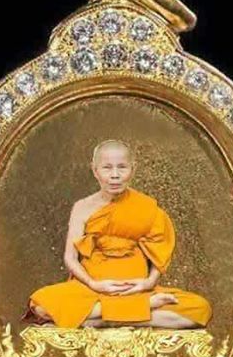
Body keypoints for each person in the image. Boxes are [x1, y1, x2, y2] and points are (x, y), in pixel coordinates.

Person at [21, 139, 212, 329]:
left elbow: (160, 252)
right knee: (41, 306)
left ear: (133, 169)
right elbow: (70, 258)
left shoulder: (146, 207)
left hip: (136, 290)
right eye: (107, 168)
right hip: (91, 290)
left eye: (122, 167)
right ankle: (139, 311)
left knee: (200, 308)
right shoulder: (82, 207)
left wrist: (148, 283)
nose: (115, 175)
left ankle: (104, 318)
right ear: (95, 170)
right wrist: (93, 284)